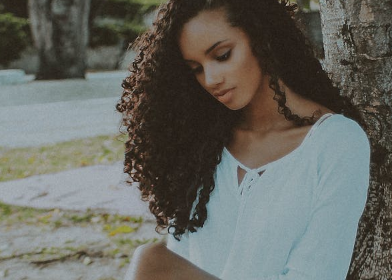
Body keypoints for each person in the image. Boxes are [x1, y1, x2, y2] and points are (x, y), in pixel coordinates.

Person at [116, 0, 371, 279]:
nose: (211, 79)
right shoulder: (204, 145)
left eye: (222, 55)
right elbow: (184, 258)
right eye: (196, 69)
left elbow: (319, 273)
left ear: (262, 37)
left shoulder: (337, 143)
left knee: (151, 260)